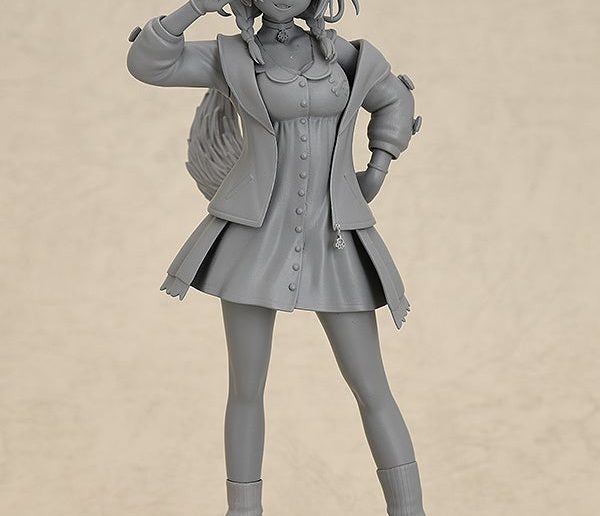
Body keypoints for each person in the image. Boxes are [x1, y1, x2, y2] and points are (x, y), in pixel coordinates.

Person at [127, 0, 426, 514]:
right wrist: (195, 6)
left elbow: (393, 97)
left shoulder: (341, 55)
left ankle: (409, 509)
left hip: (335, 235)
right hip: (254, 239)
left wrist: (377, 168)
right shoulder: (231, 58)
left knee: (372, 385)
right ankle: (243, 510)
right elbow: (150, 64)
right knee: (246, 387)